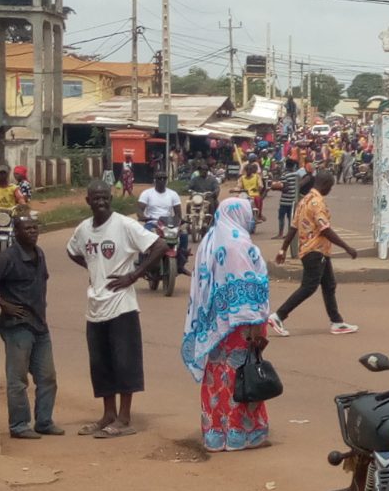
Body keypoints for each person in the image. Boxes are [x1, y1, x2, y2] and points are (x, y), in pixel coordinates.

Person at [64, 182, 168, 438]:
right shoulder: (84, 229)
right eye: (95, 198)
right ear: (88, 200)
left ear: (110, 198)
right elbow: (72, 251)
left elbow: (160, 246)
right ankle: (107, 414)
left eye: (104, 198)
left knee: (124, 363)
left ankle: (124, 418)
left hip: (122, 307)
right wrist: (93, 267)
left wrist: (133, 275)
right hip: (95, 307)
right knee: (101, 364)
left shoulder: (124, 225)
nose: (101, 202)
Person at [180, 196, 274, 453]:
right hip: (240, 326)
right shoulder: (238, 244)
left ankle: (215, 432)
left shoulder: (210, 241)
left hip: (215, 325)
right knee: (240, 376)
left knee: (216, 375)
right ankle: (241, 433)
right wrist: (255, 327)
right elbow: (244, 290)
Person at [0, 210, 62, 439]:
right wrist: (3, 304)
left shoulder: (39, 254)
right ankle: (20, 425)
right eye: (27, 229)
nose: (32, 232)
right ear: (16, 232)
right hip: (17, 325)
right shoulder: (7, 258)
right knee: (18, 379)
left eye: (35, 228)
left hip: (40, 325)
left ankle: (44, 421)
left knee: (47, 376)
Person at [273, 171, 359, 336]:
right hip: (315, 250)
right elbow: (325, 229)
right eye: (331, 187)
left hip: (314, 250)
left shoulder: (304, 200)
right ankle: (279, 315)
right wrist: (347, 248)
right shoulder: (317, 202)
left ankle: (337, 321)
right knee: (309, 287)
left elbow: (293, 227)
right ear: (326, 184)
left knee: (329, 285)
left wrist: (283, 249)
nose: (330, 190)